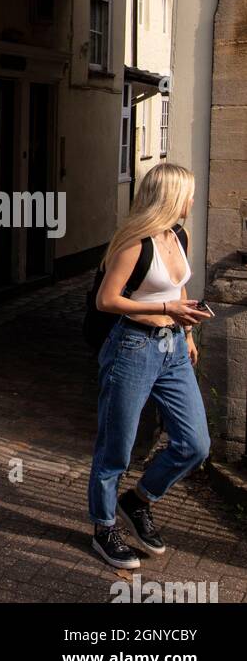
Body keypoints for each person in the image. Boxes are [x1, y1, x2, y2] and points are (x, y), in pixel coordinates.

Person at [87, 162, 211, 569]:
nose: (193, 199)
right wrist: (164, 308)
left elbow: (178, 285)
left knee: (194, 444)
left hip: (173, 348)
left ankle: (137, 500)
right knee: (115, 449)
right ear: (172, 195)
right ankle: (104, 528)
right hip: (133, 349)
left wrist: (187, 330)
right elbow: (106, 301)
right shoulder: (134, 243)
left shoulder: (180, 233)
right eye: (189, 193)